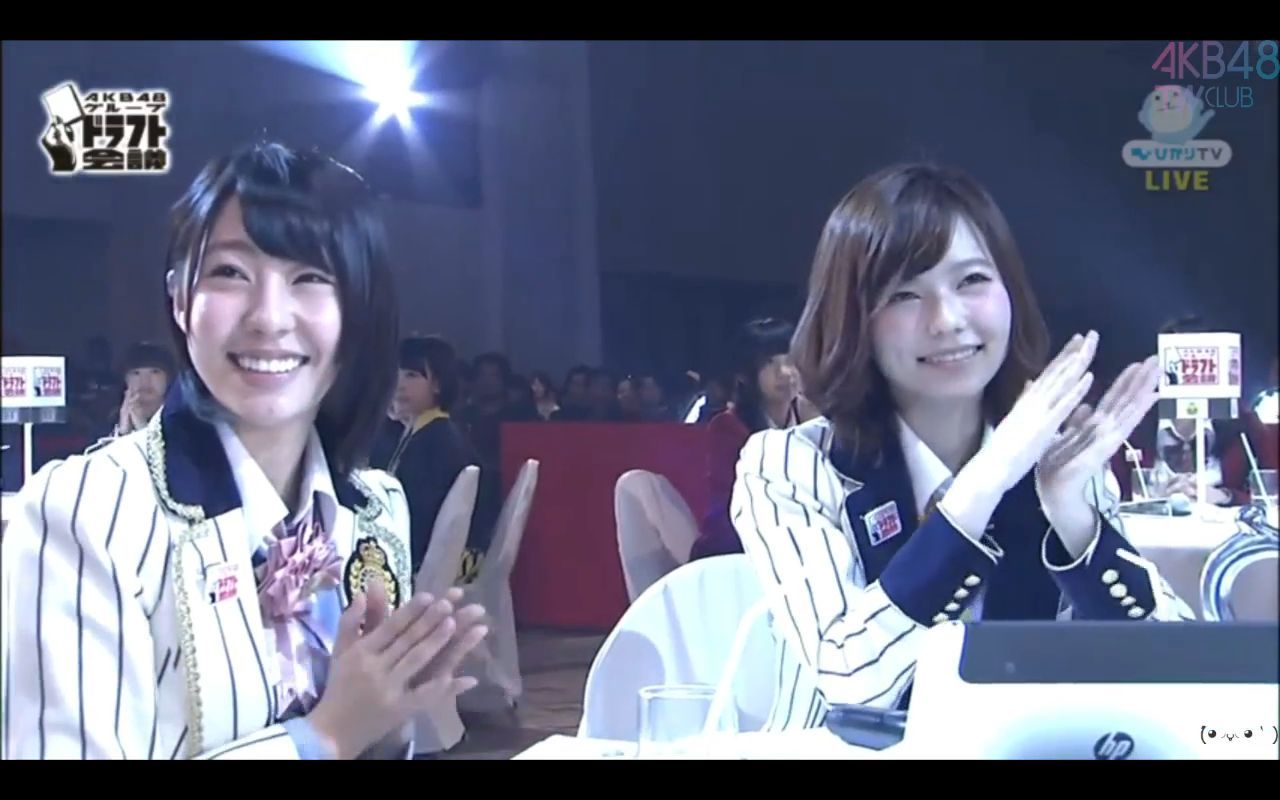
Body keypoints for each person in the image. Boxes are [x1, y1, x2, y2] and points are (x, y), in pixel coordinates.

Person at [2, 141, 489, 760]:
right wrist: (326, 736)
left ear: (359, 311)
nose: (269, 318)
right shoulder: (85, 513)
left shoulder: (375, 507)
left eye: (311, 278)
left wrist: (388, 720)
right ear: (180, 299)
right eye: (231, 272)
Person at [731, 164, 1194, 731]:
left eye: (972, 280)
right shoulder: (789, 467)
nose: (947, 320)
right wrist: (986, 481)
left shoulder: (1062, 463)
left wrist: (1074, 518)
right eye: (903, 294)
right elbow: (852, 679)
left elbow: (1177, 673)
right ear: (853, 317)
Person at [372, 336, 499, 581]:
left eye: (411, 375)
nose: (399, 384)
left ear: (438, 384)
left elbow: (417, 522)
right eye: (394, 374)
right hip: (449, 563)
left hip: (435, 567)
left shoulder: (436, 441)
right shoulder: (427, 433)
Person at [690, 318, 802, 560]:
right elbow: (726, 509)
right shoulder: (729, 427)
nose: (785, 372)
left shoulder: (812, 421)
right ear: (745, 375)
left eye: (790, 360)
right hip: (738, 552)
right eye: (769, 363)